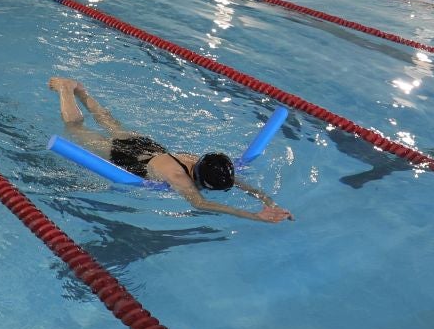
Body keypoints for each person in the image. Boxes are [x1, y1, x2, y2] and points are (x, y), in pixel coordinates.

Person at [49, 77, 291, 222]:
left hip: (149, 147)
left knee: (110, 122)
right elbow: (201, 204)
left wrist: (267, 201)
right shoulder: (179, 178)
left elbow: (238, 182)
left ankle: (81, 91)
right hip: (129, 156)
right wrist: (253, 216)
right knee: (75, 129)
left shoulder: (202, 162)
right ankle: (66, 89)